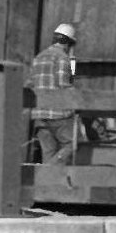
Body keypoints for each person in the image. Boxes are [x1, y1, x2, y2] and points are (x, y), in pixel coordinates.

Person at [30, 22, 83, 163]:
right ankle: (51, 169)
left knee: (48, 153)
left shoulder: (38, 58)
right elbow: (64, 86)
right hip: (59, 115)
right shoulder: (62, 58)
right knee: (74, 143)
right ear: (68, 43)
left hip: (40, 115)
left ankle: (48, 179)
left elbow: (30, 83)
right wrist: (80, 100)